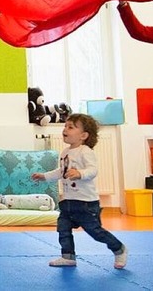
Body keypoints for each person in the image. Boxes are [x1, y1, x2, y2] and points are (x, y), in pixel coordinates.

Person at [32, 113, 127, 269]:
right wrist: (44, 176)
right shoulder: (65, 152)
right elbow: (60, 171)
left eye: (71, 127)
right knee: (63, 228)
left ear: (83, 135)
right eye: (65, 126)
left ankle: (119, 248)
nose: (65, 129)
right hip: (68, 202)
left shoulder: (85, 151)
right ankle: (68, 256)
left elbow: (93, 170)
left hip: (86, 203)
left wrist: (80, 173)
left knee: (95, 232)